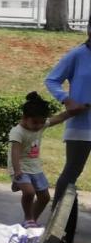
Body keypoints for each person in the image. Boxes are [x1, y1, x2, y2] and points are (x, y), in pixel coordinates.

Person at [9, 92, 75, 226]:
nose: (39, 125)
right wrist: (17, 171)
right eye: (35, 122)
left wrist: (74, 111)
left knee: (45, 198)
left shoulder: (40, 124)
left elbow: (60, 117)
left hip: (35, 167)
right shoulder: (17, 132)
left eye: (42, 122)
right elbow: (15, 152)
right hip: (20, 167)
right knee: (29, 192)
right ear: (24, 117)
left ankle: (32, 220)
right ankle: (28, 218)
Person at [46, 27, 91, 199]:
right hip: (82, 125)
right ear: (89, 30)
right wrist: (66, 99)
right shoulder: (78, 55)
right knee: (72, 172)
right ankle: (59, 221)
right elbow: (52, 79)